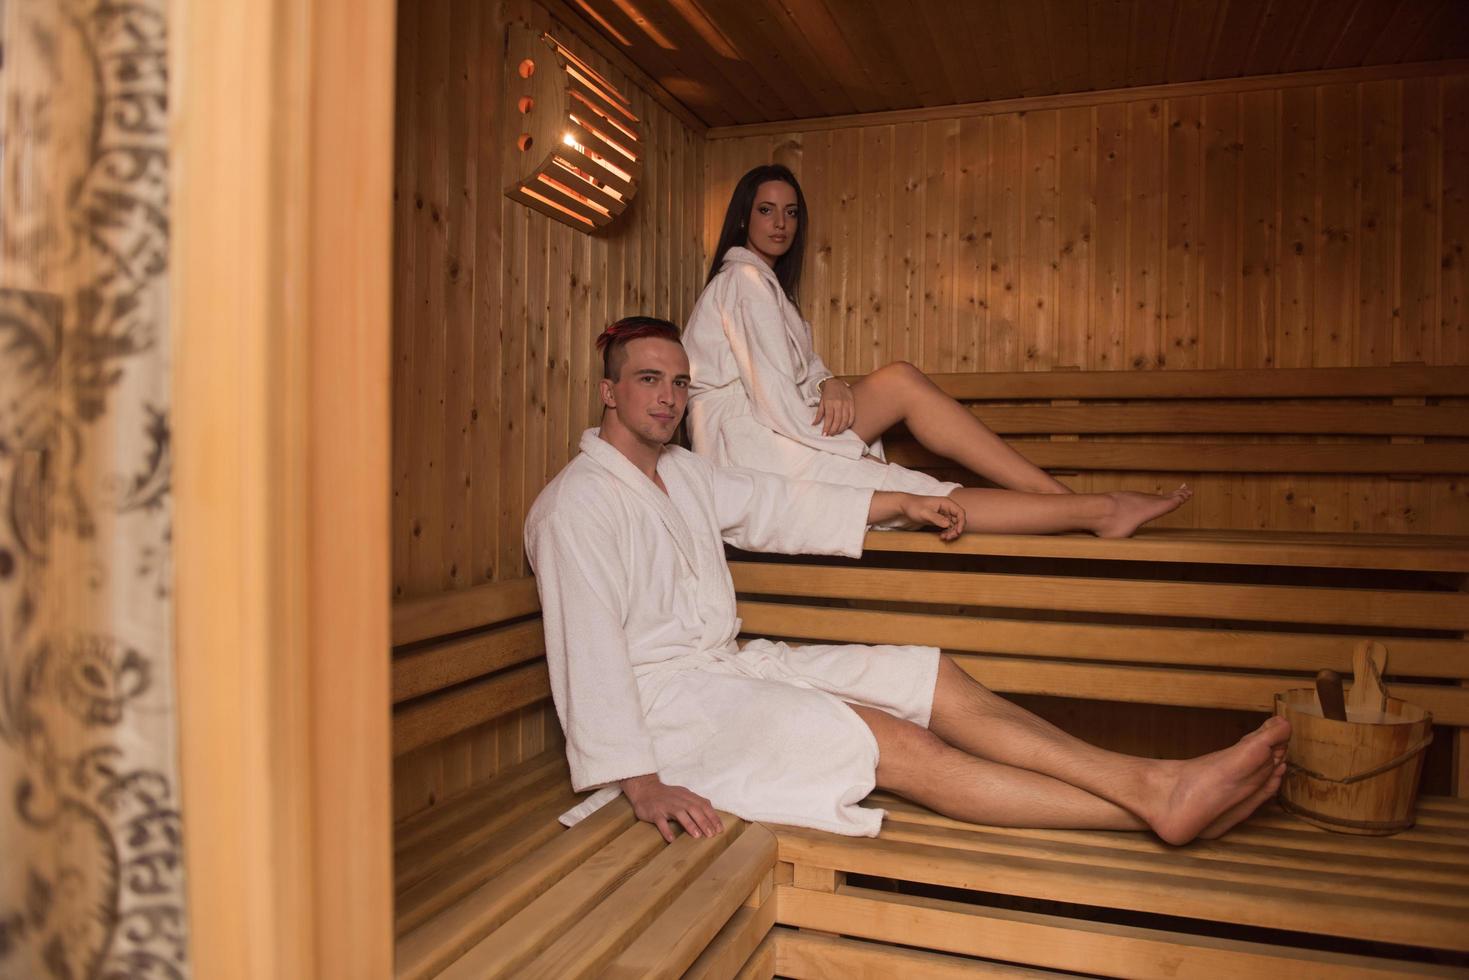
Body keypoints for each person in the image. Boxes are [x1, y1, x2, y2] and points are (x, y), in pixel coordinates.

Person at [525, 317, 1289, 846]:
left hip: (725, 670)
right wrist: (639, 782)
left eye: (680, 383)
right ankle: (1152, 801)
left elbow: (781, 505)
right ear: (609, 392)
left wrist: (904, 501)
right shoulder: (575, 507)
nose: (667, 397)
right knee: (892, 741)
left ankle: (1155, 787)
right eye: (649, 380)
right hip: (665, 716)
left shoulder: (686, 474)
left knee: (927, 674)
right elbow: (587, 657)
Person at [683, 163, 1192, 537]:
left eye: (791, 213)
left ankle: (1071, 502)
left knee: (901, 380)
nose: (780, 223)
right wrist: (854, 455)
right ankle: (1094, 510)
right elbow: (774, 397)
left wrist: (826, 381)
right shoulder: (745, 280)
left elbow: (800, 372)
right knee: (908, 491)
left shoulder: (763, 285)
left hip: (778, 422)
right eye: (766, 211)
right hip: (750, 447)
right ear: (743, 219)